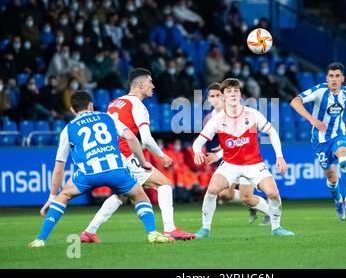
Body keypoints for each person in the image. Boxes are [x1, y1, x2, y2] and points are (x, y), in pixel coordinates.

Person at [28, 91, 173, 247]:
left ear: (72, 109)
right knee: (140, 196)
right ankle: (152, 233)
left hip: (88, 173)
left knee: (63, 196)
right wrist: (142, 161)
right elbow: (131, 137)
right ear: (91, 105)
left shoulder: (67, 130)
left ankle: (40, 239)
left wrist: (52, 197)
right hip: (116, 170)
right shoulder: (108, 117)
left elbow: (59, 168)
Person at [80, 68, 195, 242]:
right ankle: (170, 229)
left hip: (113, 156)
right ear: (141, 84)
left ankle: (89, 232)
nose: (153, 86)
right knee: (164, 184)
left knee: (122, 194)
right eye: (150, 82)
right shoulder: (137, 106)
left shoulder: (115, 102)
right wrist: (162, 156)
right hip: (126, 155)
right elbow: (147, 140)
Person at [193, 78, 295, 238]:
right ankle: (205, 229)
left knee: (273, 193)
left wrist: (280, 157)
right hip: (229, 165)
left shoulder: (252, 114)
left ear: (240, 94)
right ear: (223, 96)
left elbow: (272, 132)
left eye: (236, 91)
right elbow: (198, 143)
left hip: (254, 165)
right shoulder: (216, 120)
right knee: (213, 190)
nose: (233, 94)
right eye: (229, 91)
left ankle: (276, 228)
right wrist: (197, 151)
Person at [290, 62, 346, 221]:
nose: (334, 79)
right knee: (331, 177)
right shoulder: (320, 91)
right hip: (320, 140)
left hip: (339, 135)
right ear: (327, 78)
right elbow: (295, 101)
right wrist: (311, 119)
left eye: (337, 76)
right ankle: (338, 201)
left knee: (345, 162)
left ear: (342, 78)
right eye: (331, 76)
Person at [203, 82, 270, 225]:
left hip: (247, 157)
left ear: (223, 96)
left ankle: (269, 211)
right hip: (230, 159)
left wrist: (222, 150)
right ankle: (254, 205)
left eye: (217, 95)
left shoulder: (240, 111)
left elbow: (243, 137)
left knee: (246, 197)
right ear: (208, 99)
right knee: (225, 194)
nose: (215, 99)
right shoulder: (211, 118)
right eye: (211, 96)